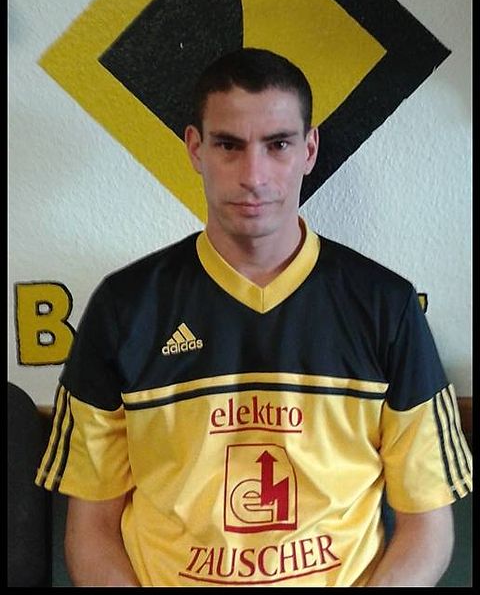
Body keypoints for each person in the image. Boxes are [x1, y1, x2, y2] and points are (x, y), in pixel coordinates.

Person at [36, 48, 472, 587]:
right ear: (195, 148)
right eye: (229, 145)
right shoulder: (124, 308)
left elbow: (428, 527)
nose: (254, 175)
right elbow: (91, 529)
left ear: (309, 150)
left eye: (278, 144)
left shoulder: (386, 306)